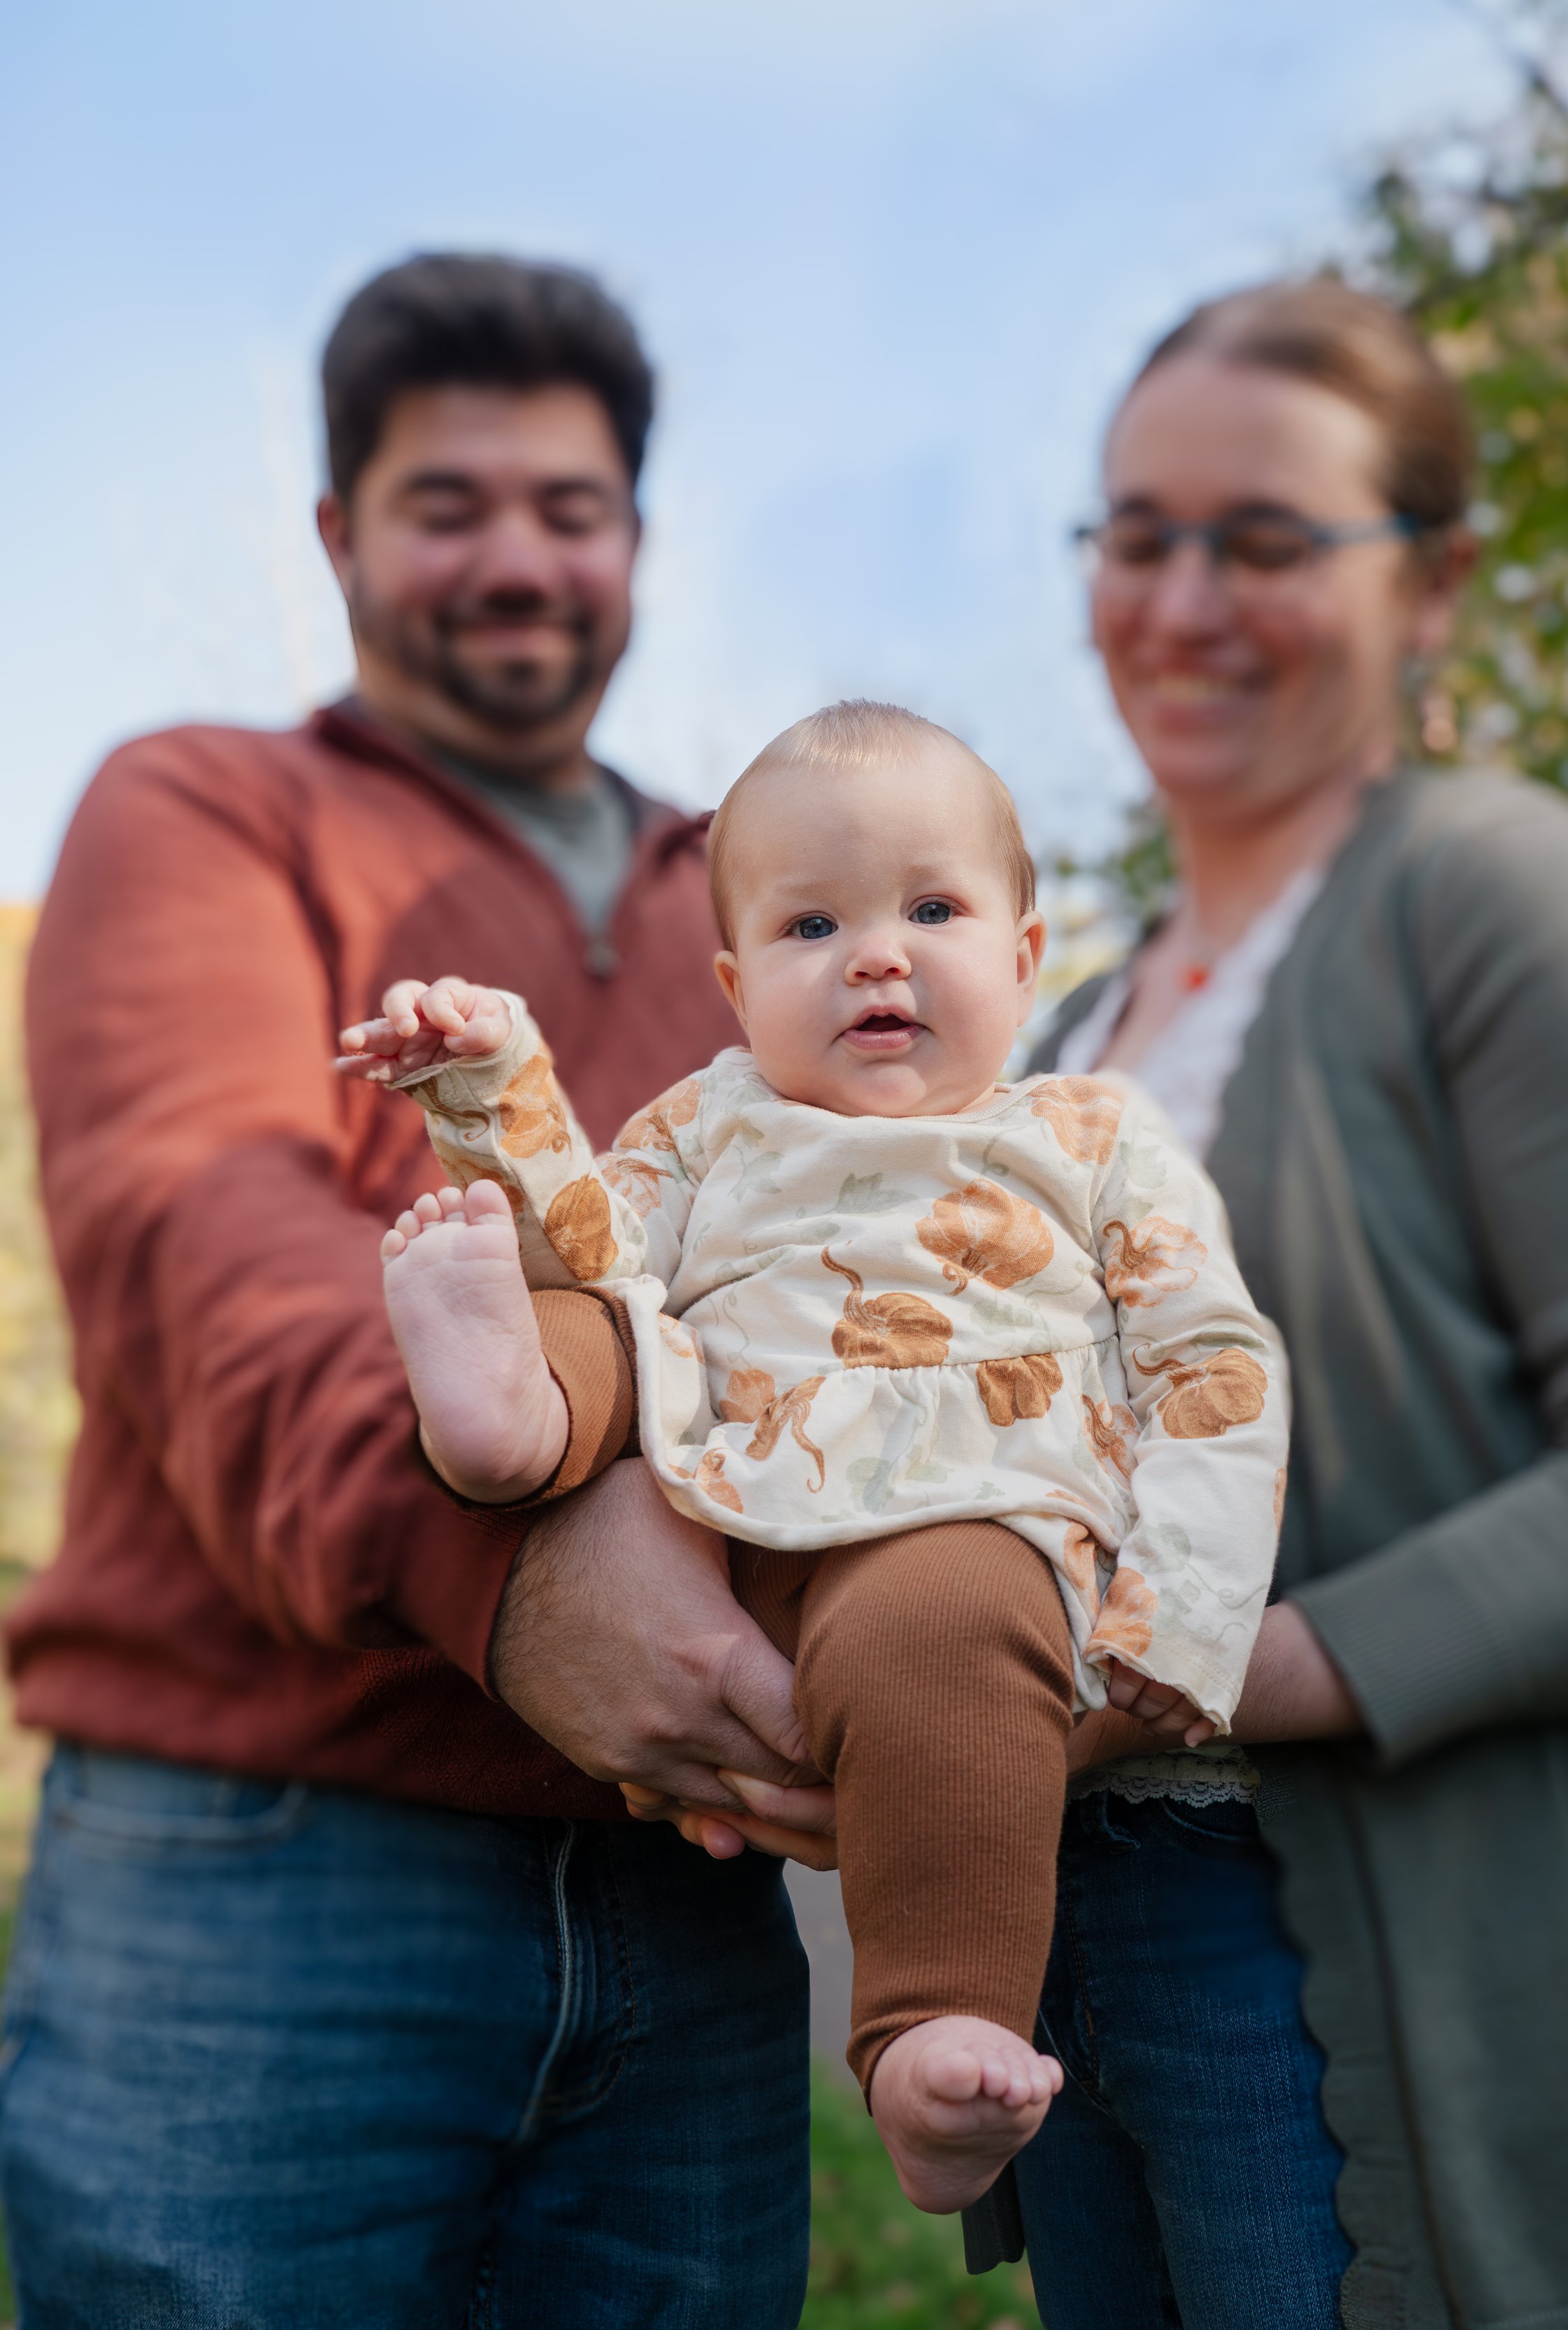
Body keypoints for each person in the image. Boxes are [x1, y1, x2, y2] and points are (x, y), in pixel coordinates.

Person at [0, 253, 830, 2329]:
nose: (516, 558)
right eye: (446, 503)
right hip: (273, 1869)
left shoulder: (760, 888)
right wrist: (516, 1573)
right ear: (337, 533)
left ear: (634, 539)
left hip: (686, 1890)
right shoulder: (203, 808)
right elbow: (213, 1246)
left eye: (569, 507)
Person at [1009, 277, 1568, 2329]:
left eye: (1263, 541)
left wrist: (1201, 1674)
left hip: (1386, 1982)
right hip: (1086, 1982)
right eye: (1135, 536)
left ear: (1427, 583)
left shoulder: (1490, 892)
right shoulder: (1070, 1019)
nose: (1182, 601)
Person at [327, 697, 1289, 2212]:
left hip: (949, 1520)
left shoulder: (1093, 1134)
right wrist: (486, 1084)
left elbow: (1212, 1363)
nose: (877, 953)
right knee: (597, 1305)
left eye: (930, 907)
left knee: (953, 1623)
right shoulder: (713, 1122)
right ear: (735, 984)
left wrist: (1181, 1607)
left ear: (1026, 955)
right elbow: (587, 1229)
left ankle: (930, 2030)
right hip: (707, 1500)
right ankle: (503, 1413)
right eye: (811, 923)